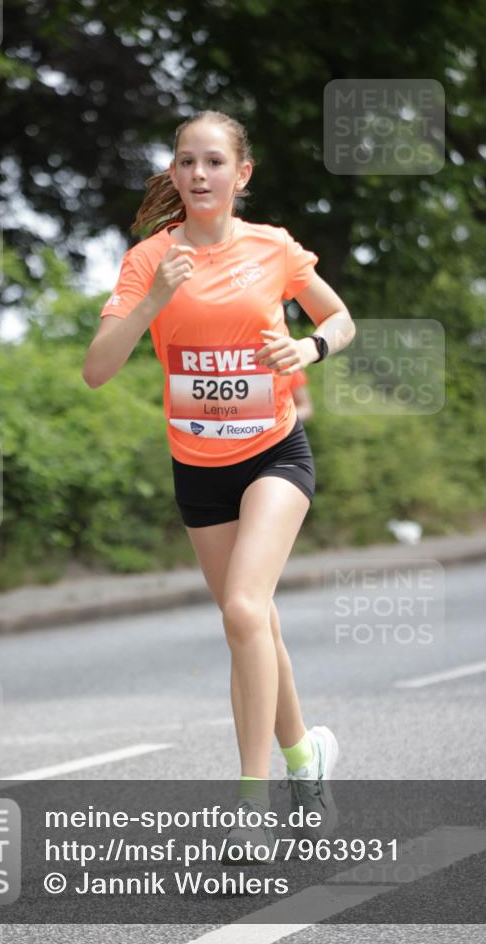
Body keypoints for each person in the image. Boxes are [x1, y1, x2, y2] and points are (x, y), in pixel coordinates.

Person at [83, 110, 355, 865]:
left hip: (273, 452)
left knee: (242, 606)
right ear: (172, 175)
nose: (196, 174)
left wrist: (306, 346)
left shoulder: (271, 248)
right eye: (183, 162)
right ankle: (307, 764)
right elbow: (97, 370)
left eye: (211, 162)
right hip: (197, 468)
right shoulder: (148, 260)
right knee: (253, 623)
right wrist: (150, 301)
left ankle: (249, 802)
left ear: (241, 174)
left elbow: (340, 319)